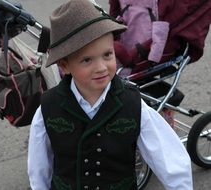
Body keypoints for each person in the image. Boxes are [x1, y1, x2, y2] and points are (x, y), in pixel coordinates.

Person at [27, 0, 193, 189]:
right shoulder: (49, 107)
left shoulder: (133, 105)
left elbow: (171, 162)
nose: (101, 67)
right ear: (65, 66)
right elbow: (39, 169)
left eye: (108, 55)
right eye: (87, 60)